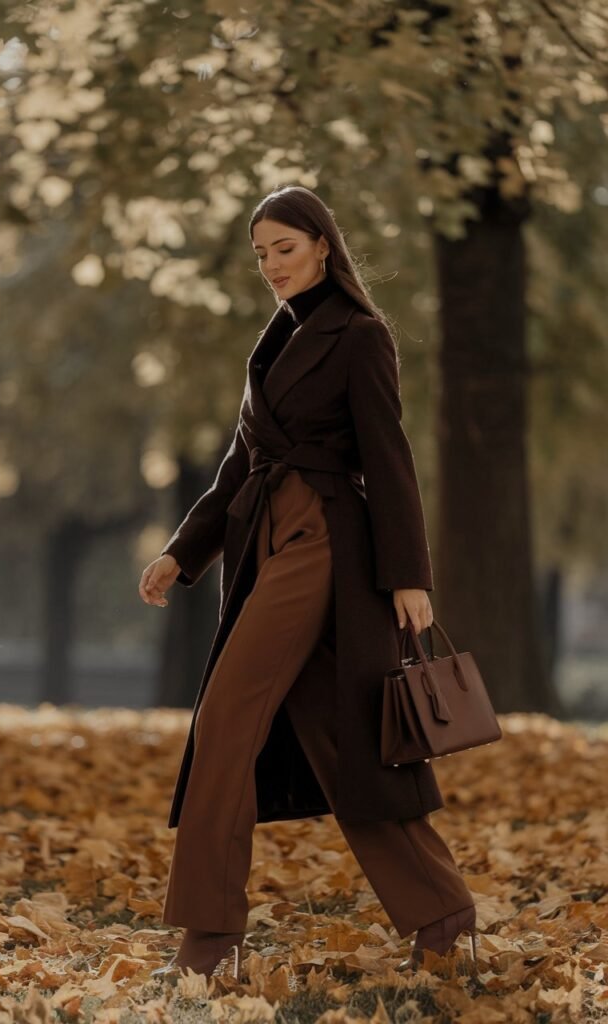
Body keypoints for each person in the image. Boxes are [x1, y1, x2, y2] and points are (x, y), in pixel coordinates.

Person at [140, 186, 477, 983]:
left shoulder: (360, 337)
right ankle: (443, 917)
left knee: (225, 718)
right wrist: (184, 553)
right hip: (268, 537)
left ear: (324, 244)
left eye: (283, 248)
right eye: (259, 254)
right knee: (343, 739)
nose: (270, 266)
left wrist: (409, 578)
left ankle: (209, 939)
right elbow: (241, 464)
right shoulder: (274, 341)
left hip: (325, 543)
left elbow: (388, 455)